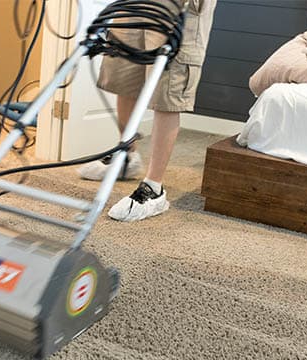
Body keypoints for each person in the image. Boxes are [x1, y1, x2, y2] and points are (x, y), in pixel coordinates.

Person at [78, 0, 217, 222]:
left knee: (167, 87)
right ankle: (126, 156)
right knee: (123, 70)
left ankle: (154, 188)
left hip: (179, 6)